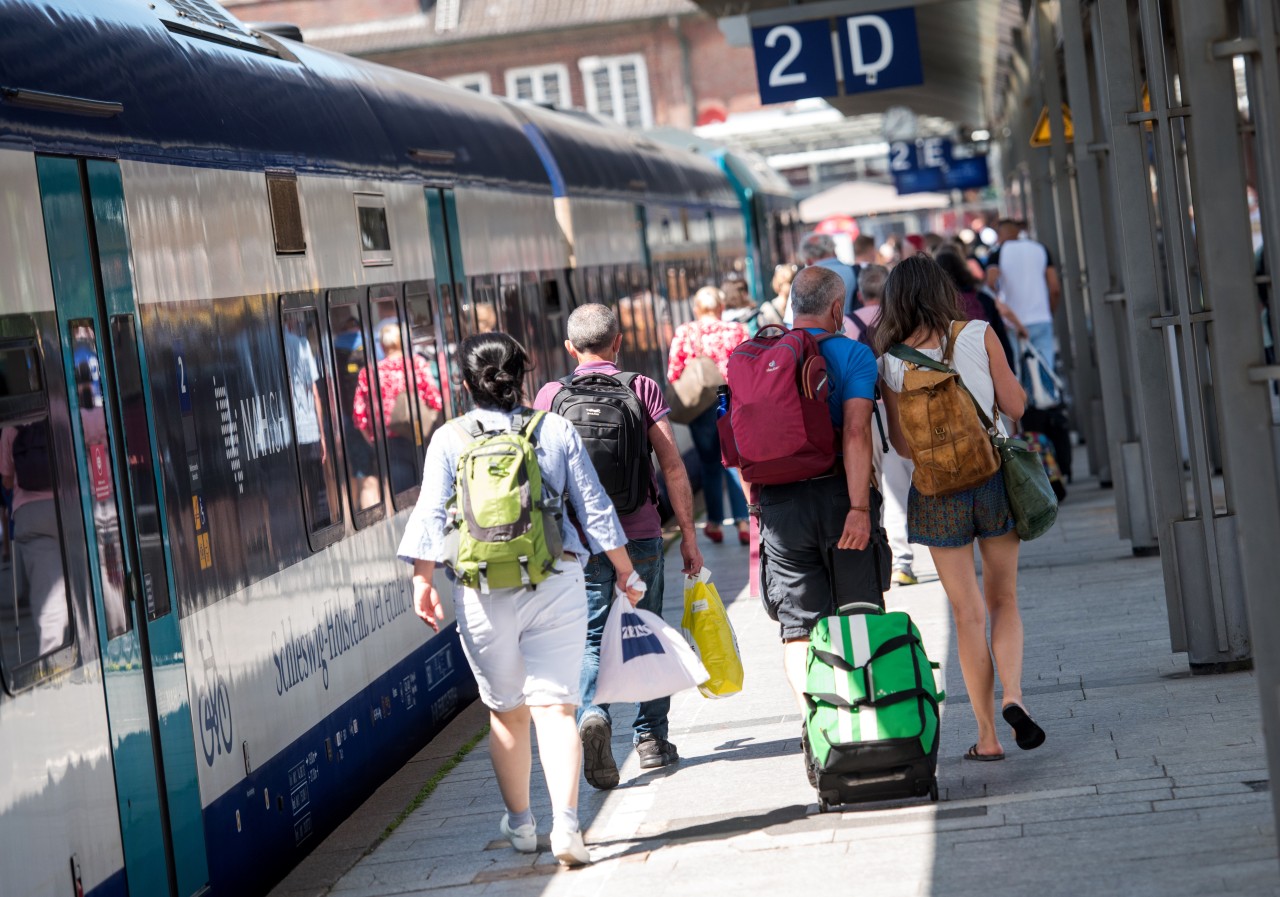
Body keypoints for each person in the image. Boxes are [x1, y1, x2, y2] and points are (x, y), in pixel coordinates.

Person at [399, 332, 644, 867]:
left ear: (466, 383)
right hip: (555, 578)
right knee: (556, 709)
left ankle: (522, 824)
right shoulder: (552, 428)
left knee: (507, 714)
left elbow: (430, 514)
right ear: (524, 376)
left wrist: (421, 579)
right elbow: (594, 506)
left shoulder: (449, 438)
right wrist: (625, 571)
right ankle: (567, 828)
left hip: (482, 591)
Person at [877, 255, 1046, 761]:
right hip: (992, 479)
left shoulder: (888, 360)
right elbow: (1016, 407)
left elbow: (902, 448)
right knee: (1004, 601)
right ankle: (1014, 696)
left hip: (935, 492)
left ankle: (987, 737)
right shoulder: (978, 333)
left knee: (966, 614)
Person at [534, 304, 704, 788]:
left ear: (570, 348)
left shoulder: (551, 395)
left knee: (590, 636)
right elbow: (672, 465)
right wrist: (687, 536)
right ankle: (651, 738)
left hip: (580, 541)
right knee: (646, 626)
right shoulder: (640, 387)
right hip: (641, 532)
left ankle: (594, 715)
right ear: (619, 342)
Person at [756, 266, 880, 711]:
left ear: (791, 306)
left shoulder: (759, 356)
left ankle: (816, 721)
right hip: (838, 497)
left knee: (797, 630)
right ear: (836, 308)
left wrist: (759, 512)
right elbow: (855, 433)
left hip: (781, 505)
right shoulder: (854, 355)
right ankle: (863, 718)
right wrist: (860, 508)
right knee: (859, 612)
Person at [847, 265, 916, 587]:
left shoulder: (847, 323)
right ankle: (909, 557)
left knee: (882, 487)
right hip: (901, 408)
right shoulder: (901, 321)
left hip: (865, 415)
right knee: (904, 483)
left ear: (859, 293)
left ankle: (891, 556)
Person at [667, 286, 751, 545]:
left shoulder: (685, 332)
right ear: (721, 308)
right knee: (735, 462)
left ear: (696, 309)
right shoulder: (737, 330)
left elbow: (673, 372)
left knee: (709, 464)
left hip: (701, 408)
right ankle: (743, 521)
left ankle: (714, 522)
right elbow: (749, 365)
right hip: (734, 403)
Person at [0, 423, 67, 657]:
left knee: (47, 592)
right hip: (67, 507)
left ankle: (54, 660)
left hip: (30, 515)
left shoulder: (10, 429)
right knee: (82, 582)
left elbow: (7, 481)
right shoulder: (60, 414)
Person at [353, 322, 443, 493]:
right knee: (430, 488)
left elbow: (360, 416)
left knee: (404, 496)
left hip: (390, 442)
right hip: (419, 434)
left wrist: (374, 441)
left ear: (382, 346)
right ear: (403, 342)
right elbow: (436, 401)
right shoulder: (417, 364)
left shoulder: (369, 373)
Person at [985, 218, 1061, 402]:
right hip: (1041, 319)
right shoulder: (1040, 249)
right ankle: (1048, 413)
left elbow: (990, 283)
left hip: (1013, 323)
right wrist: (1048, 311)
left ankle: (1028, 422)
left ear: (1001, 234)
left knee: (1019, 377)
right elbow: (1055, 287)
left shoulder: (998, 252)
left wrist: (1000, 296)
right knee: (1045, 373)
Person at [934, 245, 1022, 369]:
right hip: (987, 361)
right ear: (962, 268)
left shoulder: (936, 305)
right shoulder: (982, 297)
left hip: (956, 369)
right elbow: (1001, 337)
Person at [790, 233, 858, 321]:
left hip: (816, 334)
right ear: (833, 251)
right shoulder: (855, 272)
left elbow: (792, 322)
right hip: (854, 331)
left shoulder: (801, 280)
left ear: (808, 259)